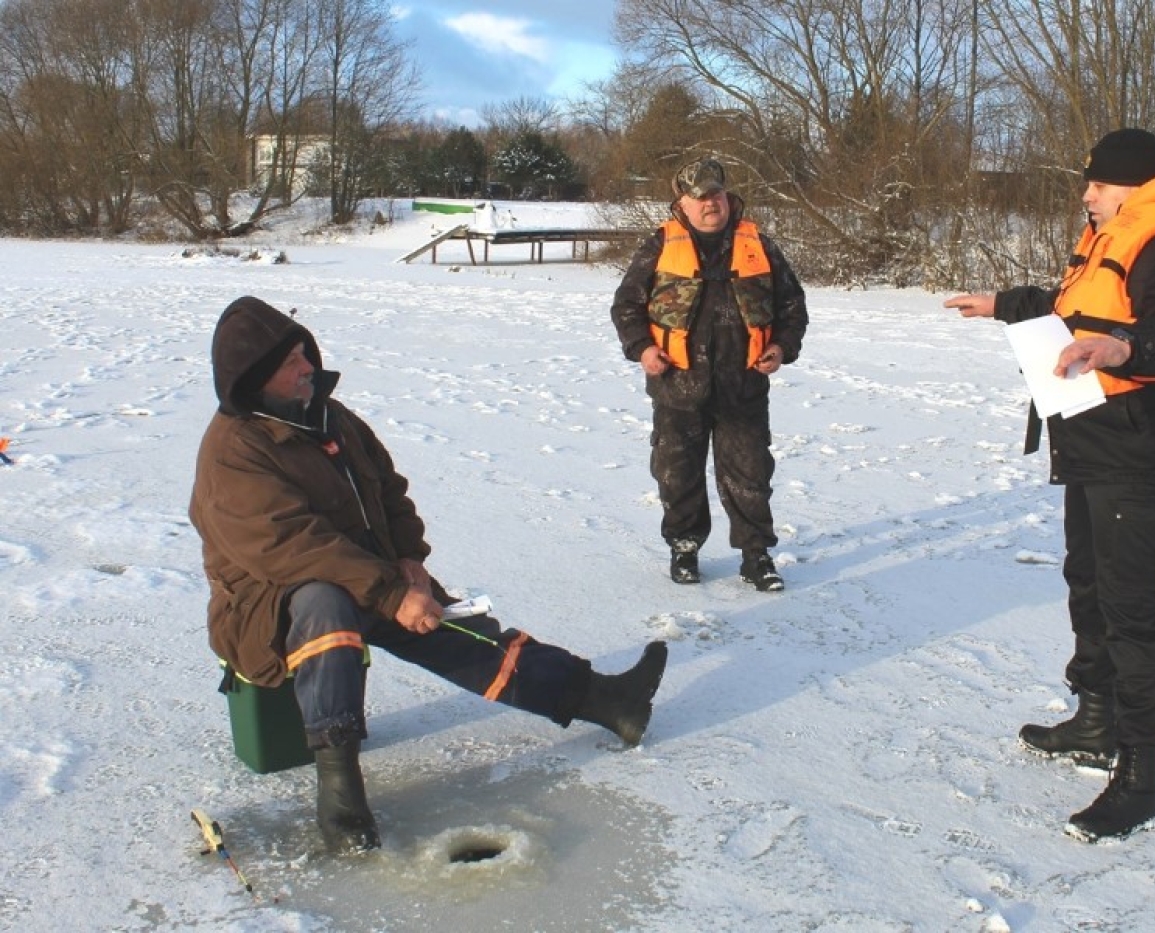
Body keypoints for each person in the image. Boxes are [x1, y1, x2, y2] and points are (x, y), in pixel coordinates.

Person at [190, 296, 669, 854]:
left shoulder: (328, 415)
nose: (307, 367)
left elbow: (387, 490)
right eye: (290, 361)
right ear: (255, 379)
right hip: (268, 612)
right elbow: (292, 546)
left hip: (366, 578)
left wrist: (410, 561)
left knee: (457, 631)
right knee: (325, 604)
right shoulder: (233, 452)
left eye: (304, 352)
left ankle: (604, 700)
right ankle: (340, 795)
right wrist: (392, 593)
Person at [943, 129, 1155, 842]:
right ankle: (1095, 720)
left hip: (1140, 444)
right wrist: (1006, 302)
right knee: (1088, 584)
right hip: (1092, 437)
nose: (1086, 193)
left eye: (1099, 183)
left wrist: (1127, 347)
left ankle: (1140, 776)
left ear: (1136, 186)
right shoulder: (1111, 237)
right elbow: (1076, 314)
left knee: (1133, 609)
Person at [610, 156, 809, 591]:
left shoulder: (759, 244)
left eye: (715, 194)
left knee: (750, 475)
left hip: (743, 385)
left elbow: (793, 306)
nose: (709, 203)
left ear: (727, 196)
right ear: (682, 202)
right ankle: (684, 547)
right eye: (699, 197)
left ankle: (756, 556)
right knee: (677, 473)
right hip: (677, 386)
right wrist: (643, 349)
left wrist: (781, 347)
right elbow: (626, 306)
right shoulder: (660, 244)